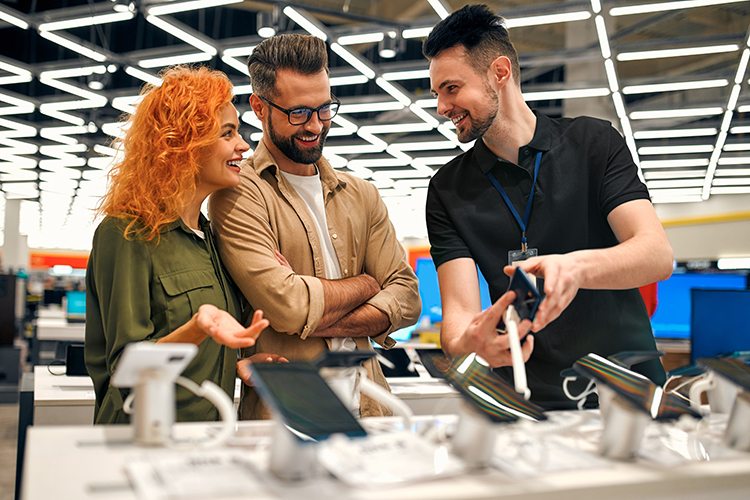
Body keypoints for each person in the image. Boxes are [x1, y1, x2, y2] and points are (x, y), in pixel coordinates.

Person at [422, 5, 674, 409]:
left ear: (499, 73)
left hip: (629, 394)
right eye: (437, 93)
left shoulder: (594, 144)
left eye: (451, 88)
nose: (441, 107)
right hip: (524, 401)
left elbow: (656, 254)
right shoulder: (447, 189)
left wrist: (573, 268)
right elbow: (458, 317)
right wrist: (467, 341)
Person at [209, 34, 421, 419]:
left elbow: (407, 297)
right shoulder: (238, 195)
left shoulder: (362, 194)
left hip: (372, 408)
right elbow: (288, 307)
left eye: (324, 109)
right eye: (298, 113)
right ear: (259, 107)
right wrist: (367, 285)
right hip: (289, 417)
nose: (315, 126)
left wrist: (313, 316)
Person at [85, 66, 282, 425]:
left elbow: (188, 345)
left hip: (206, 438)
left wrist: (234, 366)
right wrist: (198, 327)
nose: (244, 146)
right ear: (184, 144)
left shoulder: (210, 240)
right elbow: (130, 372)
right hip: (142, 439)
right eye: (228, 133)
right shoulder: (126, 234)